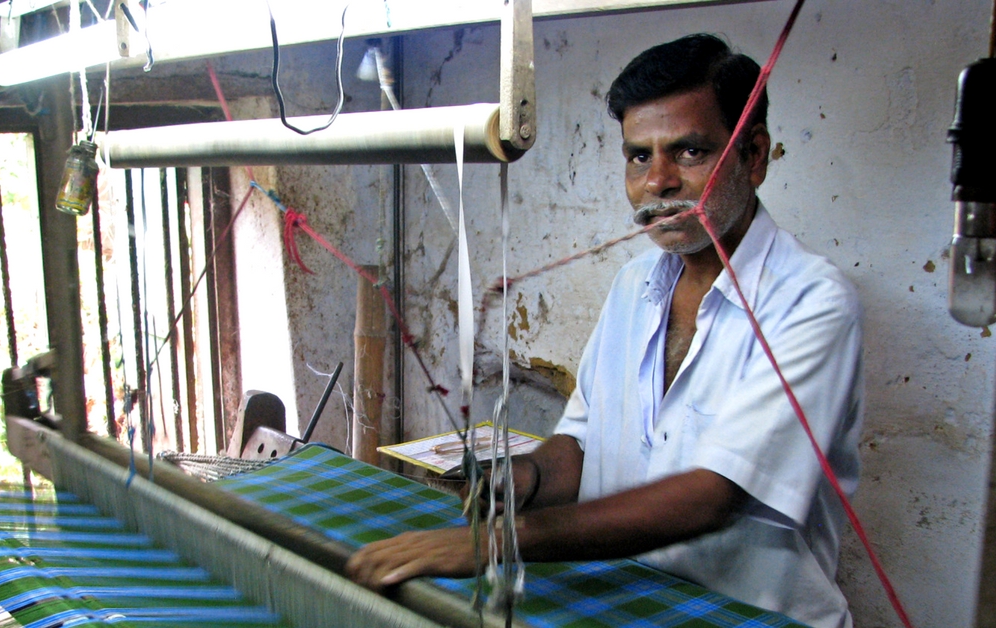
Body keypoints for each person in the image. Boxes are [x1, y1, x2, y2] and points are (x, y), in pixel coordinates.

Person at [346, 33, 862, 628]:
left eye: (689, 153)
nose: (657, 182)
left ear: (754, 156)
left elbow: (713, 495)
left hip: (752, 617)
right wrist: (530, 477)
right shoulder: (634, 288)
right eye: (639, 155)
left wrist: (502, 541)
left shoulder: (813, 303)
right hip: (633, 604)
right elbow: (582, 445)